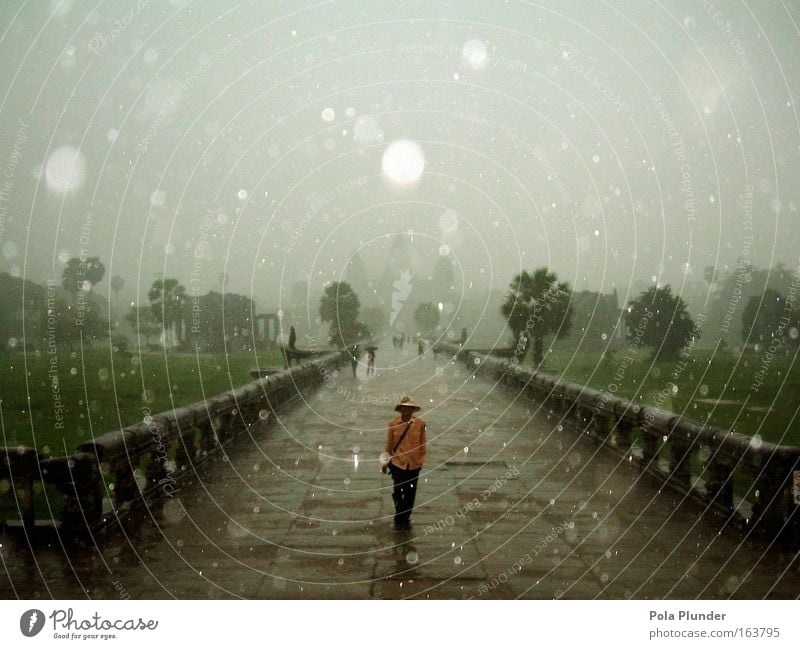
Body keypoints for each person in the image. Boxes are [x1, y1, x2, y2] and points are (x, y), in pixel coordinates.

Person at [382, 396, 426, 531]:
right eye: (404, 408)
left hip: (413, 464)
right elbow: (389, 445)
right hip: (397, 463)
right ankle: (399, 516)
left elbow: (422, 444)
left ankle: (405, 518)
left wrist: (420, 460)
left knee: (410, 493)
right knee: (397, 491)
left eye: (409, 408)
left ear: (413, 410)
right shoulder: (393, 424)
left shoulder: (420, 424)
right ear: (400, 409)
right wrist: (385, 462)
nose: (406, 411)